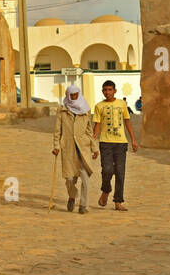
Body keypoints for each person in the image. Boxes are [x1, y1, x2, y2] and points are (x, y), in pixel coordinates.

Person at [91, 79, 138, 211]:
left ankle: (118, 201)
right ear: (102, 91)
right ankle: (106, 190)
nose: (107, 92)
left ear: (115, 91)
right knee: (107, 170)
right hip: (105, 143)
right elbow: (97, 125)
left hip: (121, 143)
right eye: (105, 90)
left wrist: (133, 140)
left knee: (120, 172)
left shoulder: (121, 104)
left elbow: (127, 122)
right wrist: (93, 141)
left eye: (110, 90)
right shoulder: (99, 106)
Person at [52, 84, 97, 214]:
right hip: (68, 149)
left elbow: (89, 130)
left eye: (76, 94)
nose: (74, 97)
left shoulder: (85, 109)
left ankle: (83, 205)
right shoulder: (62, 111)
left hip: (83, 149)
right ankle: (72, 196)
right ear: (68, 95)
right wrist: (56, 146)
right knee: (70, 179)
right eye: (71, 95)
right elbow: (57, 131)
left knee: (85, 178)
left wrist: (94, 148)